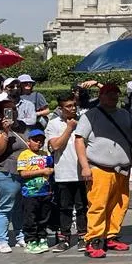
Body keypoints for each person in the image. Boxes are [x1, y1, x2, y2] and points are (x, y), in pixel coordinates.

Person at [75, 82, 132, 259]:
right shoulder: (90, 115)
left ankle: (111, 235)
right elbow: (79, 140)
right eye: (109, 94)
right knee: (98, 205)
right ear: (100, 96)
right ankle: (93, 240)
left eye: (115, 93)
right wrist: (85, 166)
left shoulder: (124, 114)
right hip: (99, 168)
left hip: (122, 169)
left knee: (120, 204)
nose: (113, 97)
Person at [45, 93, 86, 252]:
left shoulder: (84, 121)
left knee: (82, 207)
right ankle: (65, 238)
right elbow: (55, 146)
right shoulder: (54, 124)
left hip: (82, 171)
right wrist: (69, 128)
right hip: (63, 172)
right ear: (61, 108)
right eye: (68, 106)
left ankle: (83, 236)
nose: (73, 108)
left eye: (74, 105)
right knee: (64, 207)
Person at [0, 100, 28, 253]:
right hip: (5, 171)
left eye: (14, 109)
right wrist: (5, 131)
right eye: (8, 111)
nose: (13, 112)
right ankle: (1, 240)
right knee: (6, 207)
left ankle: (20, 235)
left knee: (19, 206)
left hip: (23, 170)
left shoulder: (23, 126)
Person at [16, 128, 53, 254]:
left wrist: (50, 170)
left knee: (43, 217)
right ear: (29, 141)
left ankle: (42, 237)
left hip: (45, 192)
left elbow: (50, 167)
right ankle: (31, 240)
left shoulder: (45, 154)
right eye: (35, 140)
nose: (38, 143)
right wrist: (42, 171)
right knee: (30, 217)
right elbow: (23, 173)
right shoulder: (24, 155)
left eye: (41, 141)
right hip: (30, 193)